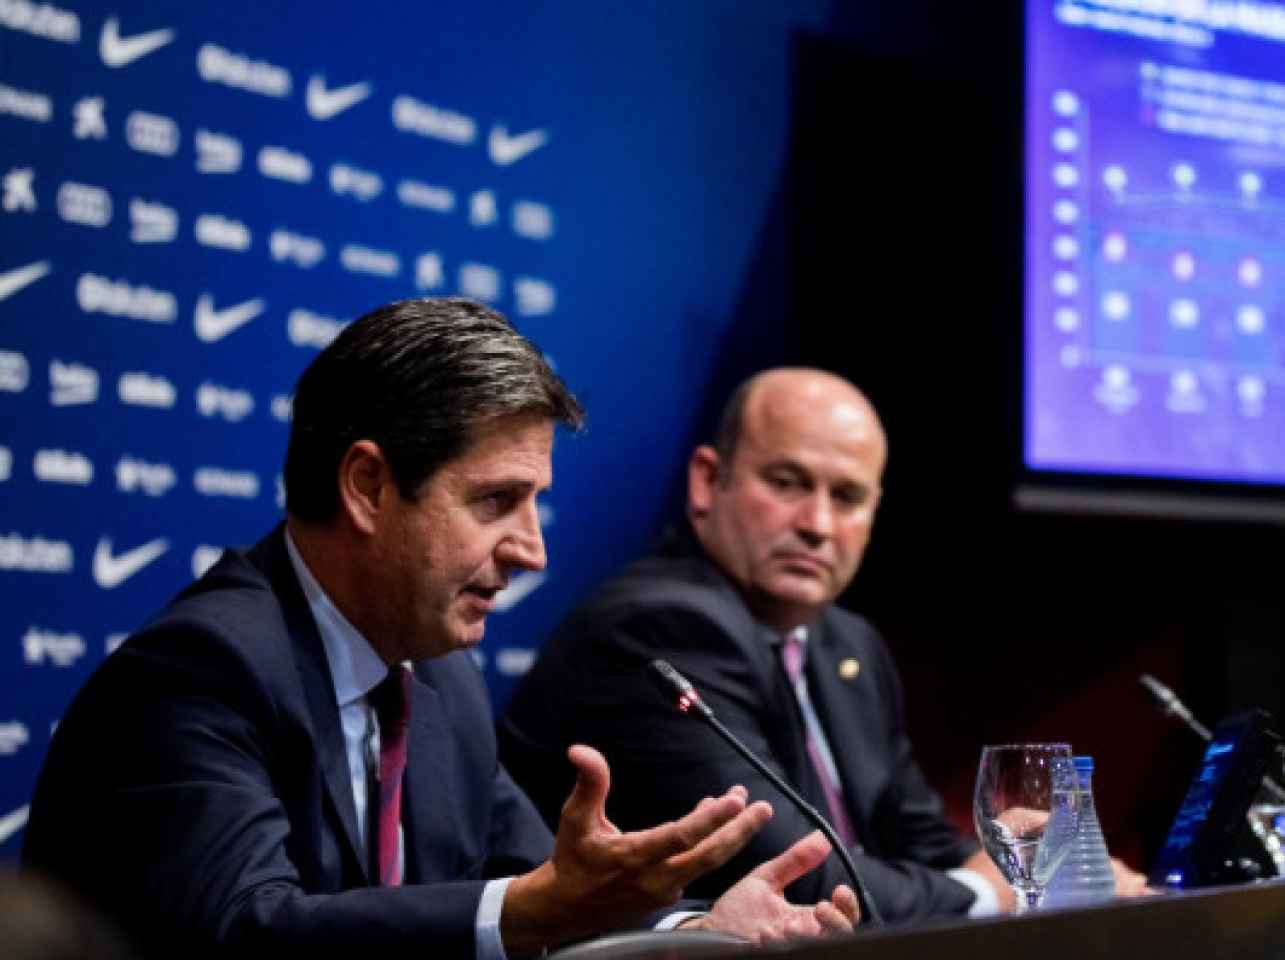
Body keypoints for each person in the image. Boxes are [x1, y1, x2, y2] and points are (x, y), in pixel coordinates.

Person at [22, 299, 857, 959]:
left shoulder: (439, 681)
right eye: (496, 501)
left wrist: (688, 933)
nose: (532, 551)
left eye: (535, 504)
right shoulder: (200, 672)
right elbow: (244, 931)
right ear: (368, 488)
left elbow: (549, 888)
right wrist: (537, 908)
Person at [500, 367, 1148, 923]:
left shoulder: (847, 643)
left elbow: (913, 828)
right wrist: (989, 890)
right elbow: (796, 878)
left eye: (847, 497)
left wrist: (1045, 869)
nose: (817, 525)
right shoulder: (657, 630)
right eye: (786, 483)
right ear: (707, 482)